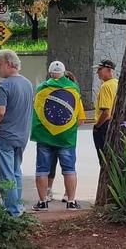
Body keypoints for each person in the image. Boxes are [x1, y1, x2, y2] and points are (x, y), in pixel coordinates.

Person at [31, 61, 85, 211]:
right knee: (69, 169)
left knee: (42, 169)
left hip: (45, 136)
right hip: (66, 137)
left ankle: (42, 202)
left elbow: (36, 111)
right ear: (64, 72)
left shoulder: (41, 88)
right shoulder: (74, 88)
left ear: (49, 73)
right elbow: (78, 117)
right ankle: (71, 202)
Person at [0, 50, 34, 216]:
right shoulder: (28, 84)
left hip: (5, 136)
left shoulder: (4, 86)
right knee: (16, 172)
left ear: (9, 64)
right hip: (21, 136)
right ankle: (18, 207)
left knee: (5, 174)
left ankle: (12, 210)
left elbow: (0, 112)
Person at [92, 59, 118, 162]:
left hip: (104, 126)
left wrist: (97, 126)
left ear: (108, 69)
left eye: (100, 69)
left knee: (104, 158)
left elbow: (106, 113)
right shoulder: (117, 83)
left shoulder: (105, 86)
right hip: (114, 124)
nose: (97, 72)